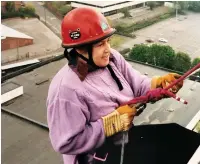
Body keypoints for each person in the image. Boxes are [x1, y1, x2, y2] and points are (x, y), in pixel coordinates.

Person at [46, 7, 183, 164]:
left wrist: (158, 84)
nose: (108, 49)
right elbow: (66, 142)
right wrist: (110, 124)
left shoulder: (112, 59)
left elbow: (137, 83)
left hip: (123, 145)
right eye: (100, 44)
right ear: (80, 48)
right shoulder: (66, 90)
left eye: (108, 41)